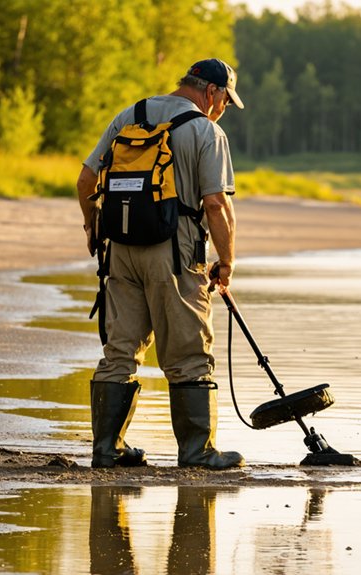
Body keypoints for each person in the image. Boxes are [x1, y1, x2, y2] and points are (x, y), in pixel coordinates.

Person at [75, 58, 246, 470]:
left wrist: (93, 229)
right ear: (212, 92)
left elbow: (85, 181)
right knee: (188, 351)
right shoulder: (206, 131)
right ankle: (197, 451)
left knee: (120, 350)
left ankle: (107, 449)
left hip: (120, 252)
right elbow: (215, 203)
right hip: (174, 253)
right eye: (225, 99)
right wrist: (226, 261)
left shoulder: (129, 116)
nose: (223, 108)